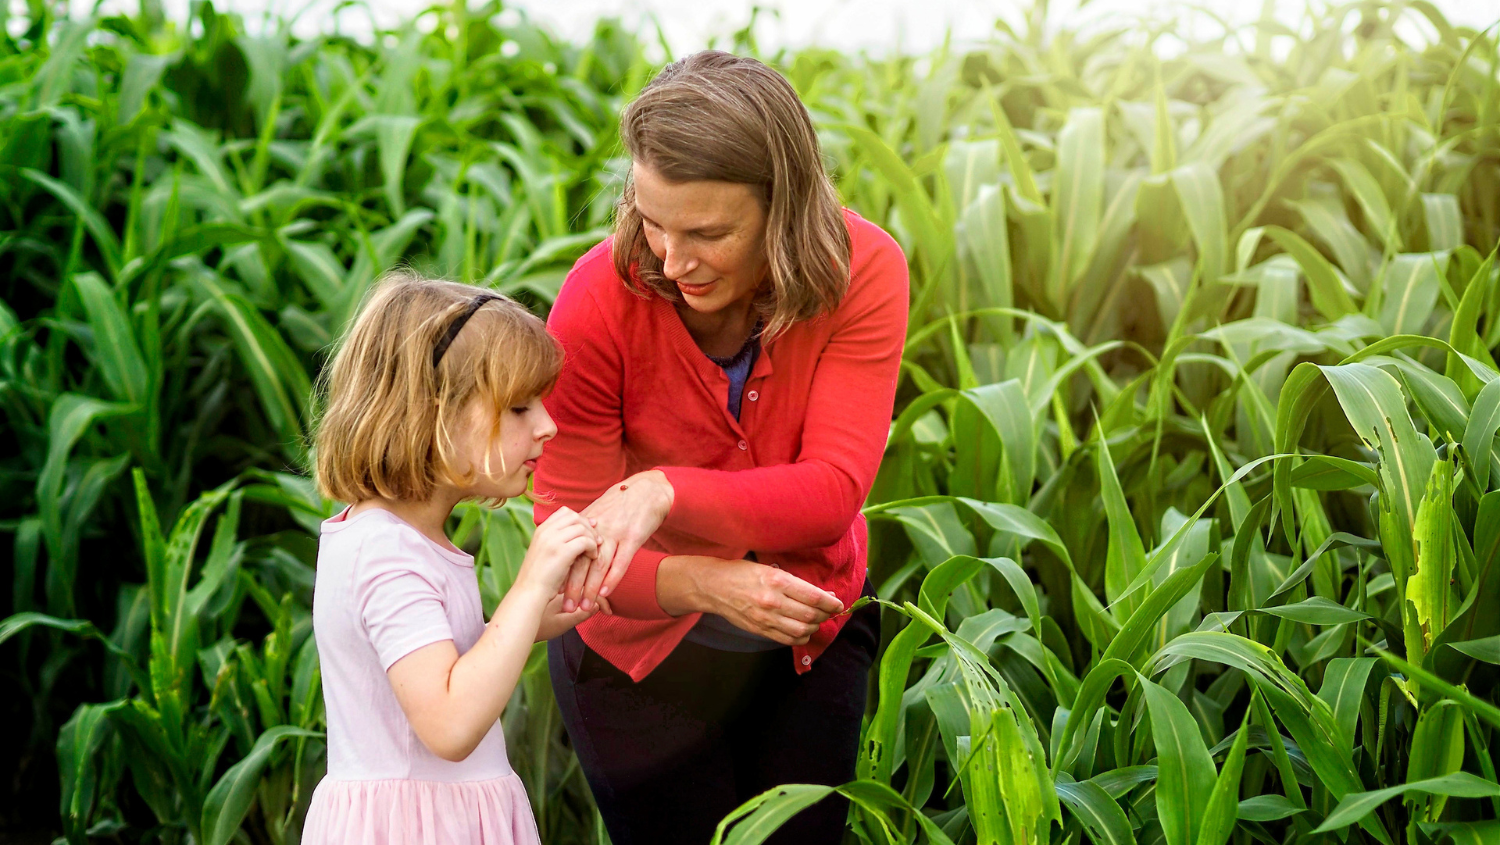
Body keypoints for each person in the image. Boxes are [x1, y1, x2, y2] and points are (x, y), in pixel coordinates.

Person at [535, 51, 909, 845]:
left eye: (708, 232)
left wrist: (664, 490)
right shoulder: (596, 300)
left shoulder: (865, 269)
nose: (671, 260)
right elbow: (573, 549)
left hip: (806, 631)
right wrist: (705, 580)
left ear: (786, 208)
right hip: (632, 650)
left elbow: (833, 489)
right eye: (651, 220)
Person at [302, 271, 604, 845]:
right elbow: (447, 723)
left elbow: (428, 668)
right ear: (433, 413)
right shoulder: (385, 552)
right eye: (518, 408)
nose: (548, 425)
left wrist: (523, 624)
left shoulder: (399, 541)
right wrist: (526, 587)